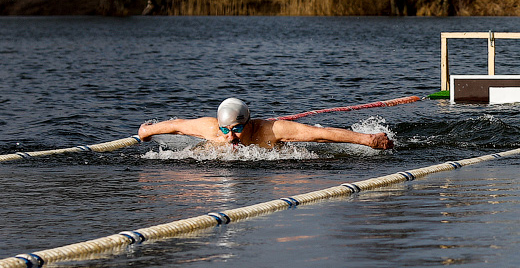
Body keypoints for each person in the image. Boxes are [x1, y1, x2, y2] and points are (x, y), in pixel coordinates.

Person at [138, 97, 394, 150]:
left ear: (248, 123)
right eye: (225, 130)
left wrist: (367, 139)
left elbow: (319, 134)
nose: (230, 137)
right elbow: (179, 125)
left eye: (236, 129)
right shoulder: (211, 128)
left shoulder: (271, 130)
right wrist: (147, 131)